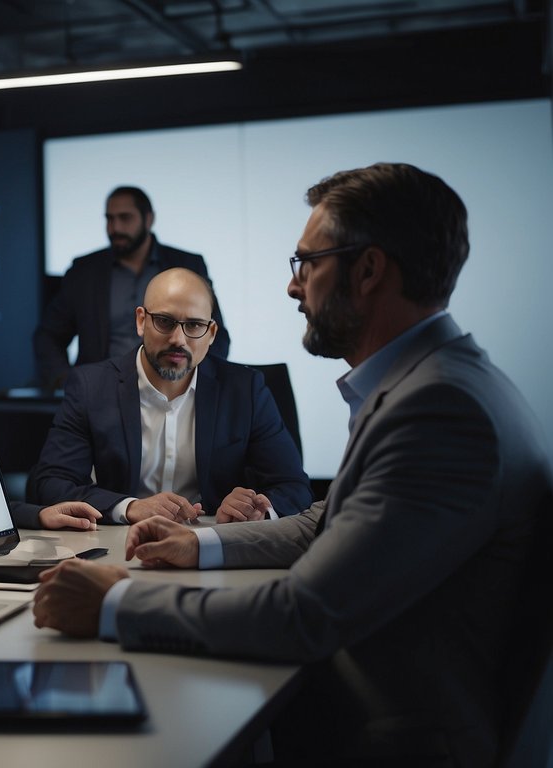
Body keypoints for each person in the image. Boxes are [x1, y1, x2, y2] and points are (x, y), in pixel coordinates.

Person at [32, 163, 553, 765]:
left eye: (307, 263)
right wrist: (197, 546)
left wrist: (116, 603)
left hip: (396, 732)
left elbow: (304, 614)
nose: (293, 286)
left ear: (367, 271)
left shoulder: (438, 410)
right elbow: (323, 521)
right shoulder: (433, 384)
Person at [26, 267, 311, 527]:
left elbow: (293, 487)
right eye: (164, 321)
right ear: (141, 321)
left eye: (195, 325)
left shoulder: (246, 390)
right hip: (120, 543)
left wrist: (256, 510)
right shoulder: (91, 386)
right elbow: (50, 483)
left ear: (211, 334)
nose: (179, 339)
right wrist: (129, 507)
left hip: (214, 544)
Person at [33, 186, 230, 388]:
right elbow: (48, 335)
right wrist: (65, 380)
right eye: (109, 219)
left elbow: (217, 336)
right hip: (100, 394)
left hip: (170, 389)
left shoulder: (188, 265)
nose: (115, 228)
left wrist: (192, 384)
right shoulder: (84, 271)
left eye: (125, 218)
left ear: (148, 219)